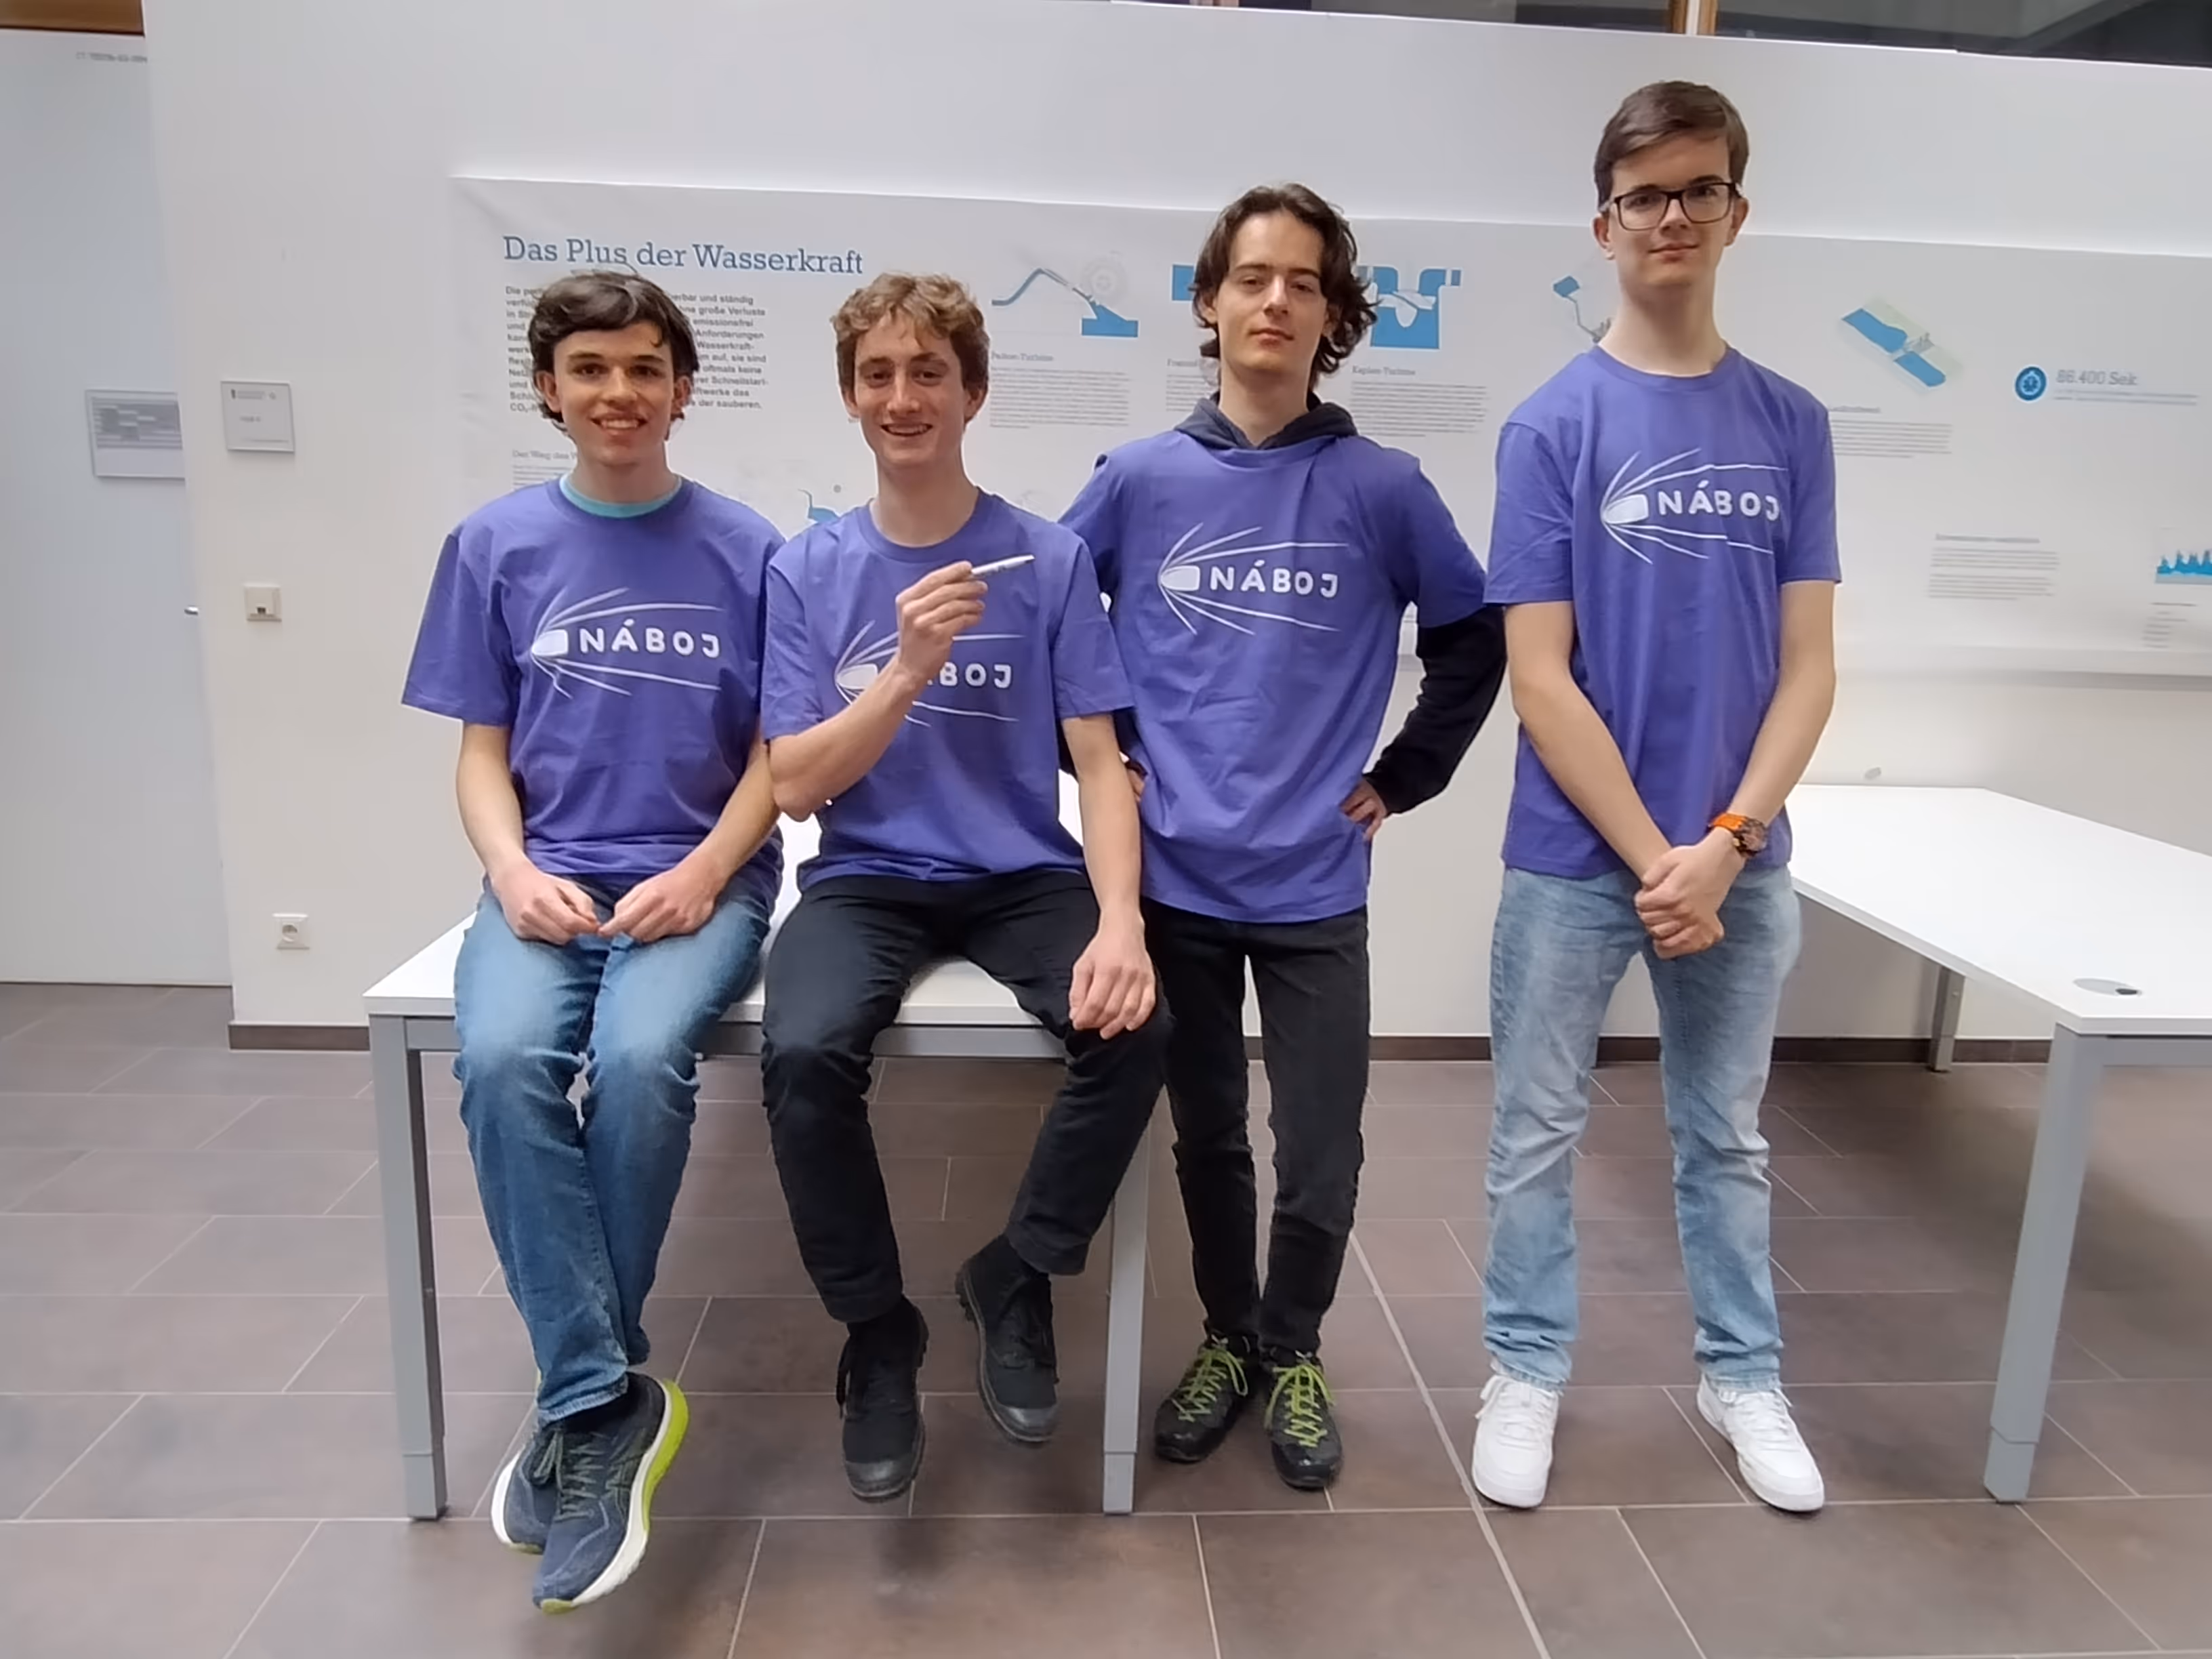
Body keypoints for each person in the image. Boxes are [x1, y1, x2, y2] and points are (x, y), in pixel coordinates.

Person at [1062, 184, 1504, 1490]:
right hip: (1177, 884)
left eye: (1303, 283)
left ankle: (1293, 1345)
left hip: (1315, 886)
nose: (1275, 301)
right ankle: (1227, 1336)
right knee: (1207, 1138)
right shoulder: (1139, 480)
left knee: (1321, 1150)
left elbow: (1473, 641)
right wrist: (1104, 754)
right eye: (1252, 278)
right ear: (1211, 303)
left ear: (1332, 314)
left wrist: (1405, 775)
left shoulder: (1383, 488)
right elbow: (1051, 627)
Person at [1471, 81, 1839, 1515]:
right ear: (1604, 224)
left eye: (1699, 190)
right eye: (1645, 196)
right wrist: (1656, 860)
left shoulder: (1791, 423)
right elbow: (1539, 676)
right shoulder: (1550, 426)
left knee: (1726, 1138)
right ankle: (1525, 1369)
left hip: (1741, 859)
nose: (1672, 216)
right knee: (1535, 1132)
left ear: (1737, 213)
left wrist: (1728, 845)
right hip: (1576, 860)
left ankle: (1744, 1375)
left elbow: (1809, 667)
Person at [401, 272, 784, 1608]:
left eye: (643, 369)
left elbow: (776, 757)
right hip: (545, 886)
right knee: (503, 1061)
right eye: (590, 370)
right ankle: (603, 1394)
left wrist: (708, 870)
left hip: (701, 882)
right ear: (548, 392)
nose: (619, 392)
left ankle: (581, 1399)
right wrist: (510, 871)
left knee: (638, 1063)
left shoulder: (750, 550)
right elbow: (481, 751)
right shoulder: (493, 546)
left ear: (683, 390)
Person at [758, 272, 1166, 1502]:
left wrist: (1122, 922)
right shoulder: (808, 567)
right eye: (878, 375)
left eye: (929, 372)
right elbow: (794, 784)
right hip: (868, 876)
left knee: (1138, 1024)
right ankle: (878, 1330)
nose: (904, 397)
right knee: (804, 1052)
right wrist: (905, 670)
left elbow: (1102, 762)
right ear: (849, 398)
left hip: (1016, 873)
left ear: (972, 393)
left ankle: (1017, 1271)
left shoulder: (1049, 559)